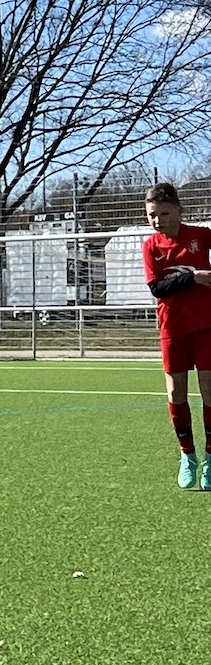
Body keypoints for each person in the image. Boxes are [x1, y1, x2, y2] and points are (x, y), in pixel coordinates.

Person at [142, 181, 211, 489]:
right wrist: (192, 278)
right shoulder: (151, 246)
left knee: (209, 391)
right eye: (152, 215)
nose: (158, 220)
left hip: (206, 326)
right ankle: (188, 456)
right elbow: (157, 288)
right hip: (172, 329)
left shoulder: (201, 236)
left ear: (180, 211)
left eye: (164, 213)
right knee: (176, 394)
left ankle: (210, 458)